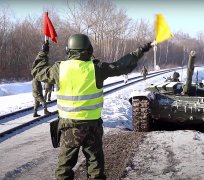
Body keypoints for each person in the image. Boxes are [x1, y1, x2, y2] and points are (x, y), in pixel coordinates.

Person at [31, 34, 152, 179]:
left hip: (69, 127)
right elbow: (122, 66)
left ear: (68, 50)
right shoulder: (97, 68)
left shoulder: (60, 68)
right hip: (92, 127)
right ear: (89, 49)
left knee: (65, 168)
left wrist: (43, 52)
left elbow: (37, 71)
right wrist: (141, 50)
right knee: (95, 167)